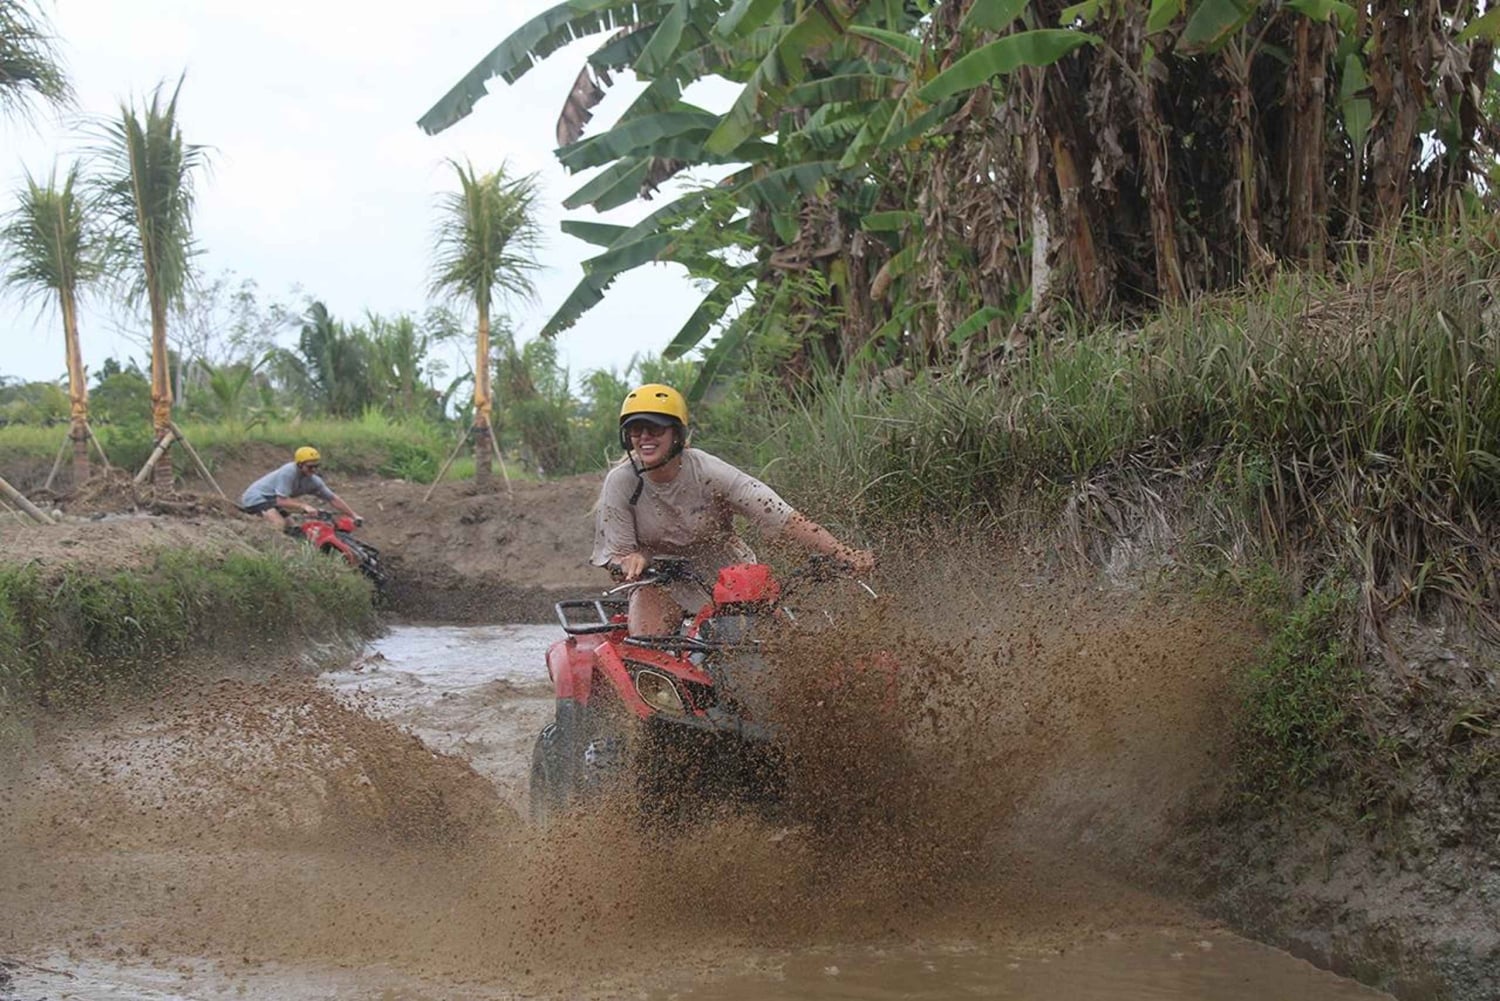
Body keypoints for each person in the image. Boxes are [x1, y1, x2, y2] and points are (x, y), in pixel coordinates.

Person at [592, 383, 875, 636]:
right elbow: (617, 557)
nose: (644, 437)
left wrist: (843, 554)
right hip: (660, 581)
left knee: (777, 643)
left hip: (729, 574)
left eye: (654, 428)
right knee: (645, 640)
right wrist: (628, 563)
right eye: (635, 430)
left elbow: (783, 517)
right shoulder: (621, 483)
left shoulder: (710, 472)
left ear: (676, 434)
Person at [239, 446, 363, 529]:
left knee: (292, 527)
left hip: (271, 501)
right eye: (310, 467)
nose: (314, 470)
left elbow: (332, 499)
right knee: (279, 524)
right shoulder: (288, 472)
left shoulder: (314, 481)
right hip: (256, 498)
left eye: (316, 466)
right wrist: (304, 506)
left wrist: (353, 515)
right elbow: (281, 500)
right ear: (299, 464)